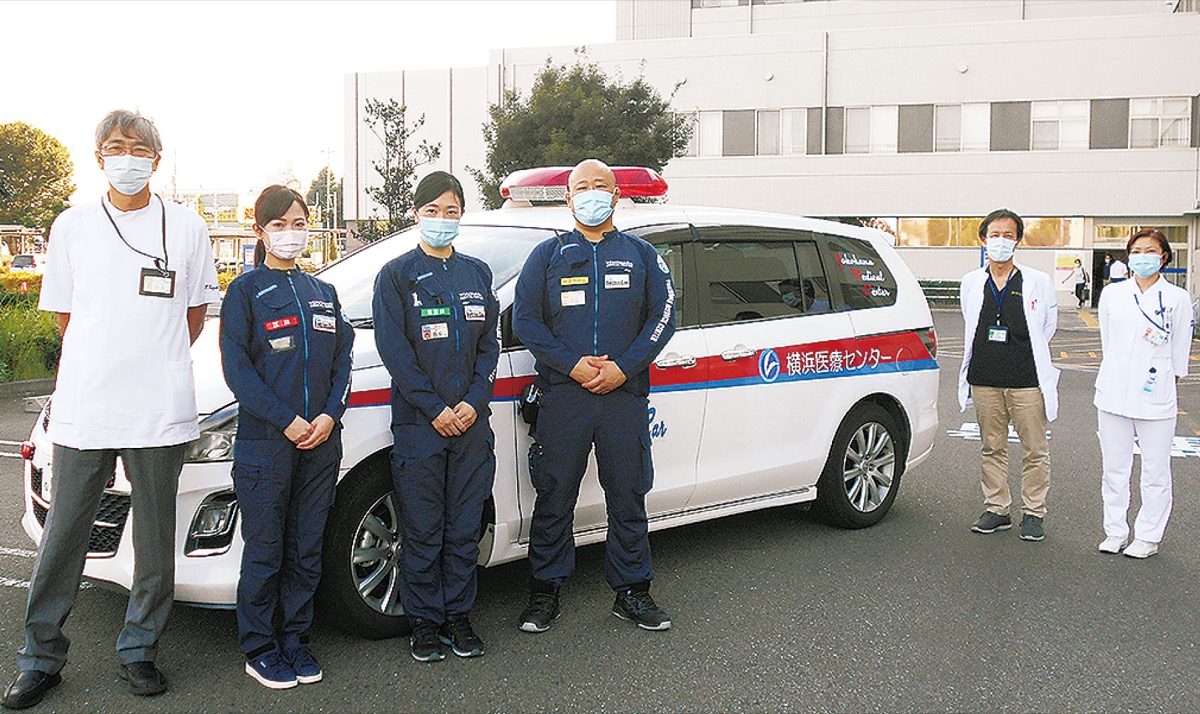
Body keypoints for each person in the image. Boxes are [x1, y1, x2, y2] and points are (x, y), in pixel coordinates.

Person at [3, 110, 220, 710]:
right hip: (87, 404)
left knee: (154, 538)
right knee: (64, 535)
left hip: (159, 406)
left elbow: (195, 314)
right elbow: (68, 319)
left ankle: (139, 651)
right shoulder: (71, 226)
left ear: (157, 156)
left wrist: (151, 356)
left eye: (139, 147)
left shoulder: (187, 227)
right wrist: (110, 356)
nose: (128, 156)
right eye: (116, 147)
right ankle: (40, 657)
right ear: (99, 157)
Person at [513, 159, 676, 633]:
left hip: (623, 396)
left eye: (599, 186)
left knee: (627, 494)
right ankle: (544, 594)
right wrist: (574, 364)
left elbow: (664, 315)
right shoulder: (547, 256)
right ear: (567, 199)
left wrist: (624, 367)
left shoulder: (643, 255)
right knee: (555, 494)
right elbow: (526, 321)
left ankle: (632, 593)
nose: (590, 194)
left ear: (616, 195)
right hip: (565, 396)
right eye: (580, 187)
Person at [219, 186, 354, 688]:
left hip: (320, 441)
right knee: (266, 549)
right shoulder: (245, 292)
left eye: (299, 223)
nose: (291, 233)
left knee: (305, 546)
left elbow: (342, 361)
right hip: (267, 444)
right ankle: (260, 646)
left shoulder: (324, 292)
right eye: (280, 224)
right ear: (260, 231)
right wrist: (286, 420)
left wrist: (328, 416)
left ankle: (296, 639)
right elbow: (239, 371)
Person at [372, 172, 499, 662]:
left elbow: (489, 346)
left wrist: (473, 401)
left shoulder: (477, 273)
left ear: (461, 214)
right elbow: (395, 352)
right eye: (433, 211)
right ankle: (424, 622)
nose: (442, 221)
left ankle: (458, 616)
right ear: (416, 213)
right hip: (420, 425)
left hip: (471, 423)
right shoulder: (396, 275)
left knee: (464, 525)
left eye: (451, 211)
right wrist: (434, 408)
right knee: (423, 527)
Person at [957, 208, 1059, 542]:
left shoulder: (1037, 281)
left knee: (1035, 450)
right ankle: (997, 508)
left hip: (1026, 379)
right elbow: (969, 321)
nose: (1001, 241)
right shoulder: (972, 282)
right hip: (984, 377)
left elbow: (1047, 327)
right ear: (983, 239)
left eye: (1008, 235)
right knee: (992, 448)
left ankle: (1033, 513)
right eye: (995, 235)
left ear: (1018, 241)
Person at [1094, 229, 1192, 559]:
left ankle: (1148, 535)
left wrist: (1169, 385)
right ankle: (1115, 531)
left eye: (1151, 250)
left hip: (1156, 394)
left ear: (1163, 257)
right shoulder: (1113, 295)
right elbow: (1108, 343)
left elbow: (1180, 353)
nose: (1143, 256)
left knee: (1155, 471)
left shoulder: (1177, 298)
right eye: (1136, 251)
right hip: (1113, 392)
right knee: (1114, 468)